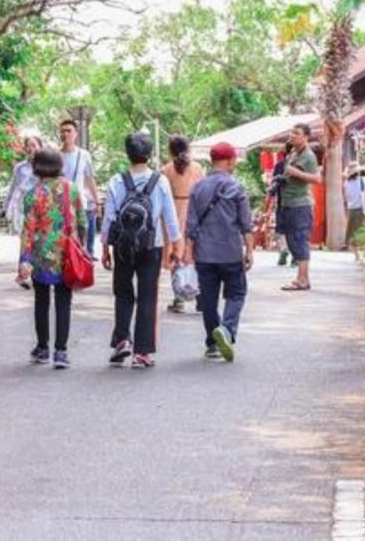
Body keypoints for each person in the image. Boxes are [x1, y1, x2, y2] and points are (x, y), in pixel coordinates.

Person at [101, 131, 183, 369]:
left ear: (128, 154)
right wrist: (176, 244)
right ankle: (142, 353)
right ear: (149, 154)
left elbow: (109, 218)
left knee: (123, 293)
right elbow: (169, 218)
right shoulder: (161, 181)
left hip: (123, 247)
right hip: (151, 245)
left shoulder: (117, 181)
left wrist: (105, 247)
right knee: (148, 297)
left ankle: (122, 341)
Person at [17, 147, 87, 370]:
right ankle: (61, 351)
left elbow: (28, 230)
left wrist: (24, 260)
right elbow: (83, 221)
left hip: (40, 255)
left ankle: (42, 347)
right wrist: (81, 246)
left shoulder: (32, 195)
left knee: (41, 301)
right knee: (64, 302)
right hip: (66, 254)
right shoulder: (72, 189)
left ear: (37, 167)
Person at [184, 142, 254, 362]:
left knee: (209, 300)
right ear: (230, 161)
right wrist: (249, 250)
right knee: (237, 293)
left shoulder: (198, 187)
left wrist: (189, 252)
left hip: (204, 254)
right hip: (230, 252)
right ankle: (227, 329)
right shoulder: (236, 187)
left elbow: (191, 224)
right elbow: (246, 223)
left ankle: (213, 344)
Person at [161, 135, 205, 314]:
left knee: (175, 254)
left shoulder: (166, 170)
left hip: (174, 212)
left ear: (170, 150)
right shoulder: (197, 168)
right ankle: (200, 297)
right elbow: (203, 191)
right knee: (196, 255)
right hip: (194, 211)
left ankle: (178, 297)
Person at [278, 123, 322, 291]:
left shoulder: (309, 156)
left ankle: (303, 280)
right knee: (292, 241)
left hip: (300, 205)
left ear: (306, 137)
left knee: (300, 240)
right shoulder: (293, 153)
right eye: (292, 132)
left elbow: (316, 179)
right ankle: (300, 278)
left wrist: (296, 173)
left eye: (297, 133)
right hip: (288, 203)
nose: (292, 135)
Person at [59, 119, 101, 261]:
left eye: (69, 131)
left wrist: (97, 201)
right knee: (60, 239)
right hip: (59, 204)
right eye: (63, 131)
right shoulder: (56, 155)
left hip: (78, 204)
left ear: (76, 133)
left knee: (79, 238)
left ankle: (76, 269)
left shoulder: (83, 155)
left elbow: (89, 179)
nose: (65, 134)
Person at [4, 135, 44, 235]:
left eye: (34, 145)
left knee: (35, 235)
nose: (31, 149)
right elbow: (13, 187)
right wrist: (6, 206)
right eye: (28, 146)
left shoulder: (45, 167)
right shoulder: (19, 167)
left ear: (40, 147)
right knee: (22, 234)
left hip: (37, 204)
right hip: (20, 203)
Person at [265, 144, 292, 266]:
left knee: (281, 229)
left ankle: (283, 250)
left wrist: (270, 199)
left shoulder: (279, 165)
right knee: (294, 229)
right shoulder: (299, 165)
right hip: (296, 202)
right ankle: (295, 255)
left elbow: (273, 185)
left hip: (281, 200)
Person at [343, 166, 365, 251]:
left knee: (350, 228)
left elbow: (346, 196)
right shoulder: (363, 180)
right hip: (361, 208)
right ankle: (357, 248)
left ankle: (348, 245)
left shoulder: (346, 182)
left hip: (351, 208)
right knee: (360, 229)